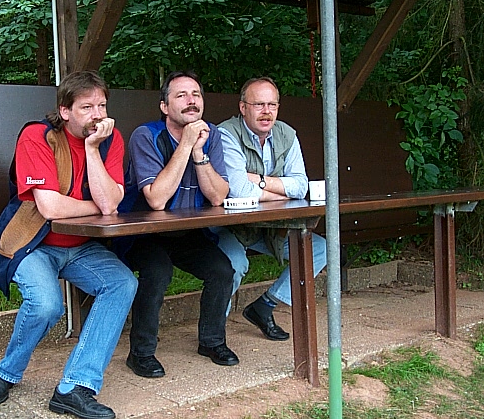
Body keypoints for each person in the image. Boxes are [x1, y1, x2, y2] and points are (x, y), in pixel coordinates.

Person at [0, 70, 137, 419]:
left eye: (102, 105)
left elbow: (111, 205)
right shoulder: (38, 136)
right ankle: (6, 372)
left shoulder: (109, 139)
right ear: (65, 111)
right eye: (86, 107)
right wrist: (98, 205)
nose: (97, 115)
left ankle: (75, 387)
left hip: (81, 247)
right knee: (47, 305)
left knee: (122, 282)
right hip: (33, 244)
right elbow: (50, 208)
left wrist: (93, 149)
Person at [117, 70, 238, 378]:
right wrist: (185, 145)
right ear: (164, 106)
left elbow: (218, 196)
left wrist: (198, 152)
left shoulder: (211, 136)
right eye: (181, 95)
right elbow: (157, 199)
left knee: (222, 270)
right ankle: (141, 353)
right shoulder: (146, 136)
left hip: (187, 233)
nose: (191, 101)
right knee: (158, 271)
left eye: (196, 95)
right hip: (142, 232)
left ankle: (212, 342)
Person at [215, 76, 327, 341]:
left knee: (321, 248)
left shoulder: (287, 134)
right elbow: (240, 192)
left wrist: (260, 181)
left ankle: (265, 306)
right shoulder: (226, 134)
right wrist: (279, 190)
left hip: (269, 228)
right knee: (233, 264)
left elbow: (301, 186)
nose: (266, 112)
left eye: (272, 105)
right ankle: (214, 331)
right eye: (259, 105)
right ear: (243, 107)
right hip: (230, 227)